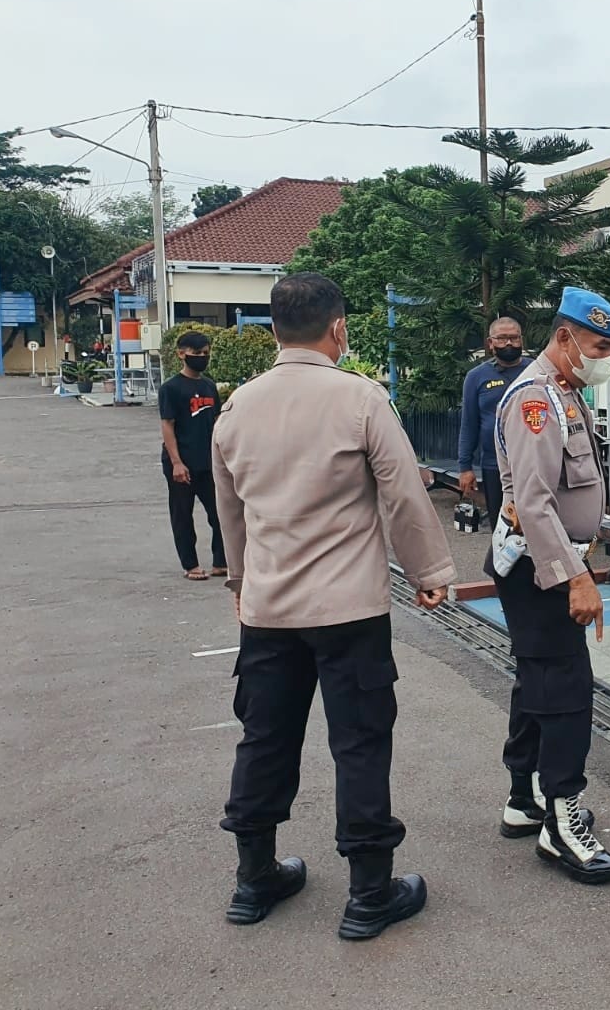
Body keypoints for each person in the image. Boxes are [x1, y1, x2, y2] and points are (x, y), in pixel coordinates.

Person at [211, 273, 456, 940]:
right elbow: (404, 496)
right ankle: (370, 894)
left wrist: (241, 585)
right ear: (338, 328)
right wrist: (430, 572)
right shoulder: (361, 400)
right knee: (360, 744)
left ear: (272, 331)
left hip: (268, 612)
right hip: (348, 612)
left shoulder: (237, 410)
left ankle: (253, 879)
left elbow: (229, 513)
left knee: (264, 739)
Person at [488, 288, 610, 884]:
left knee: (537, 681)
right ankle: (562, 820)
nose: (605, 361)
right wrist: (577, 578)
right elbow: (536, 504)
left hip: (543, 561)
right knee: (566, 689)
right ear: (565, 337)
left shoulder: (564, 392)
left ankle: (523, 799)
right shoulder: (535, 401)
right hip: (542, 566)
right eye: (599, 347)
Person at [159, 330, 226, 581]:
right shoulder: (171, 388)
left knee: (220, 513)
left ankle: (221, 561)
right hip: (182, 462)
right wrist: (176, 462)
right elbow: (168, 425)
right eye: (196, 354)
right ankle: (191, 565)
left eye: (205, 353)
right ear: (181, 354)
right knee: (182, 515)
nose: (202, 358)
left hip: (208, 462)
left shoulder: (209, 385)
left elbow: (218, 421)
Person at [456, 316, 529, 537]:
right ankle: (501, 570)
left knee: (535, 525)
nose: (509, 343)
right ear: (490, 343)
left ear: (521, 340)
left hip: (533, 463)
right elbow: (469, 424)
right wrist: (465, 467)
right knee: (504, 528)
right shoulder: (476, 377)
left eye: (514, 338)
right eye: (502, 338)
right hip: (494, 466)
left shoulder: (536, 371)